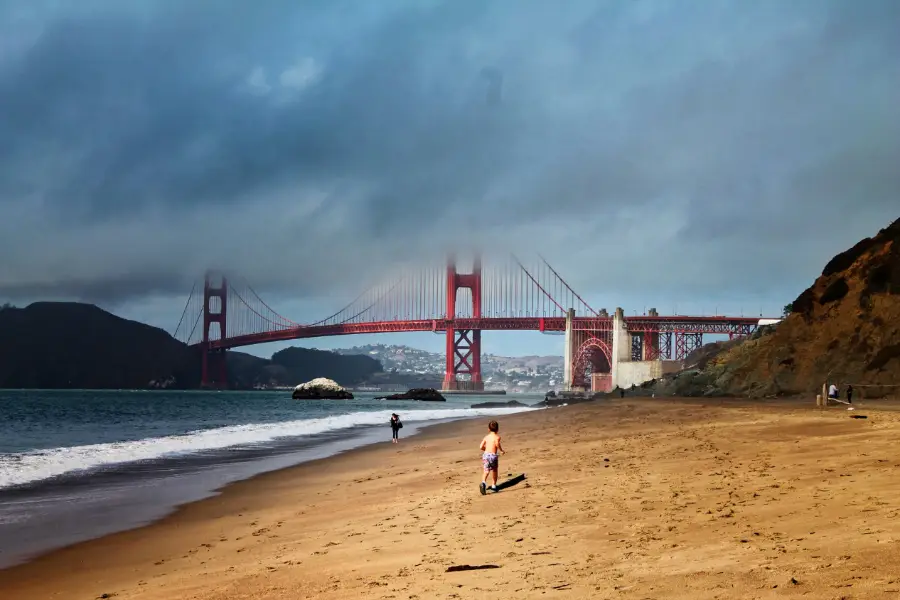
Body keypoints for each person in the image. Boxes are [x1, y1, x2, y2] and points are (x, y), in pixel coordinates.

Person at [479, 420, 505, 495]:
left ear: (488, 429)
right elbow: (496, 443)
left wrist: (486, 449)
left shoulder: (486, 437)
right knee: (494, 470)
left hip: (486, 455)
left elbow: (481, 447)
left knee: (486, 471)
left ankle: (483, 483)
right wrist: (501, 450)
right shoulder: (497, 437)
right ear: (497, 429)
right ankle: (493, 485)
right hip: (493, 456)